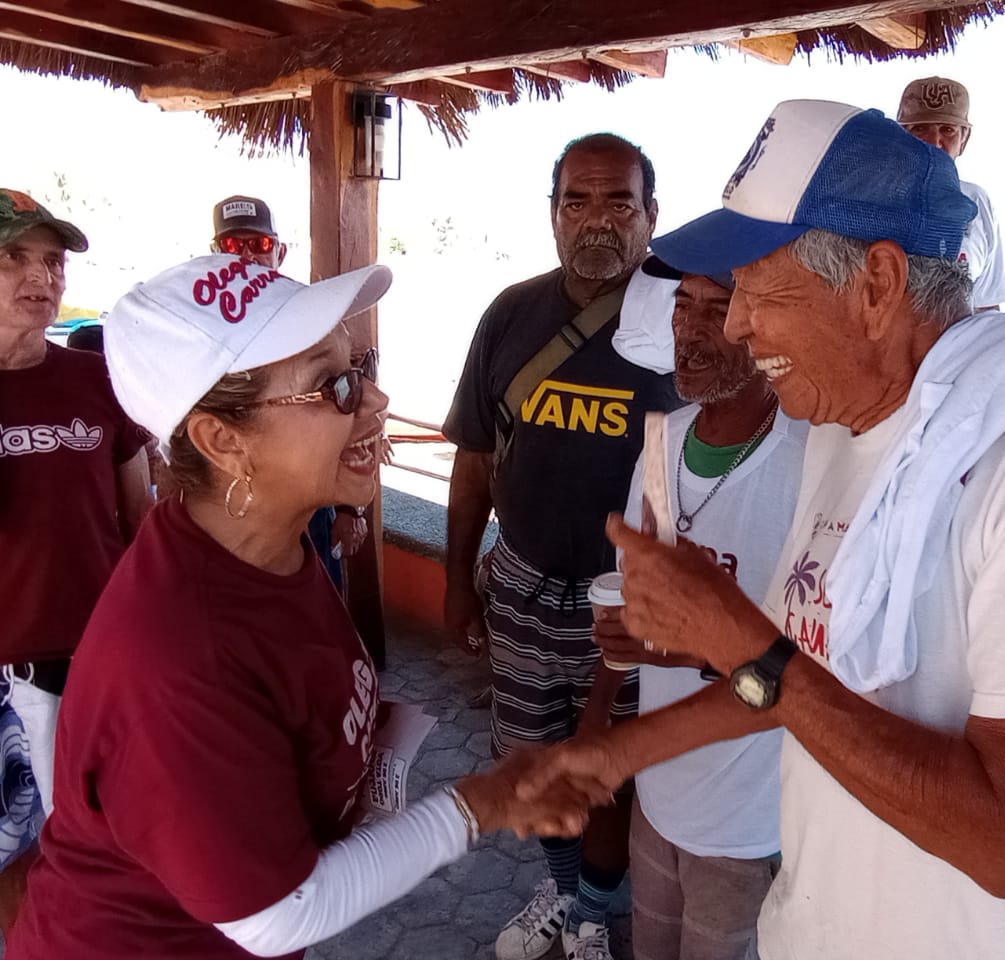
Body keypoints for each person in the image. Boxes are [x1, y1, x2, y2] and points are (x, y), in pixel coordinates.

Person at [519, 100, 1005, 959]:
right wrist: (618, 755)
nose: (732, 324)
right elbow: (803, 678)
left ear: (875, 284)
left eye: (759, 287)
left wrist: (741, 641)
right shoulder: (845, 429)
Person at [5, 255, 605, 959]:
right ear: (222, 441)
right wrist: (484, 801)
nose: (376, 401)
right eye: (335, 385)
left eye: (363, 365)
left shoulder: (268, 544)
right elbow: (277, 914)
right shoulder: (178, 657)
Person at [443, 134, 681, 960]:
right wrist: (455, 584)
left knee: (606, 767)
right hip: (518, 582)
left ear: (652, 216)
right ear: (552, 214)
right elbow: (473, 461)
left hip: (623, 599)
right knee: (532, 753)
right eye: (577, 200)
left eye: (620, 201)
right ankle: (565, 887)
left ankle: (591, 914)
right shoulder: (510, 314)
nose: (598, 220)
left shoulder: (681, 322)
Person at [584, 259, 806, 960]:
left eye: (718, 310)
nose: (692, 332)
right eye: (684, 307)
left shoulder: (804, 461)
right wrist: (601, 711)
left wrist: (685, 645)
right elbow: (632, 597)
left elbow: (807, 659)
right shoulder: (659, 442)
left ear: (759, 326)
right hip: (658, 791)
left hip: (747, 817)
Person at [0, 190, 151, 825]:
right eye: (14, 257)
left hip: (92, 657)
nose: (42, 275)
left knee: (86, 840)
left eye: (54, 260)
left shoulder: (96, 380)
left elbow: (140, 518)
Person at [211, 195, 369, 587]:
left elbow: (347, 406)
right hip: (232, 502)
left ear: (279, 251)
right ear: (216, 252)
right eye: (233, 245)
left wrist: (350, 508)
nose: (246, 256)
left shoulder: (312, 318)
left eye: (259, 245)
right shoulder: (202, 329)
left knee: (317, 608)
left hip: (310, 501)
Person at [897, 76, 1005, 311]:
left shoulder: (977, 202)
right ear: (900, 138)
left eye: (947, 130)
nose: (934, 142)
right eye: (920, 129)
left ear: (964, 140)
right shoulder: (870, 196)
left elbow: (986, 305)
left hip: (959, 347)